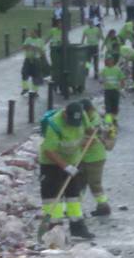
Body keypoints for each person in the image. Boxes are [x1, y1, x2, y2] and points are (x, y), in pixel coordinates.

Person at [38, 102, 95, 239]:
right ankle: (54, 229)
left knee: (73, 196)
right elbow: (49, 151)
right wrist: (66, 167)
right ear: (64, 114)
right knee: (52, 197)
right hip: (51, 164)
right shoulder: (54, 124)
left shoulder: (82, 117)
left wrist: (93, 137)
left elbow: (89, 130)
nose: (73, 125)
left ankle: (77, 227)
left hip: (73, 160)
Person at [79, 100, 112, 217]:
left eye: (84, 113)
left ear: (90, 110)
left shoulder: (96, 122)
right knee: (79, 182)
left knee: (94, 183)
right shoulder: (86, 119)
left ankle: (103, 206)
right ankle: (77, 208)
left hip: (95, 157)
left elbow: (89, 140)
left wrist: (74, 146)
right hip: (82, 157)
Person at [100, 56, 125, 124]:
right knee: (108, 106)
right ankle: (108, 121)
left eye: (109, 60)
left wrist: (122, 88)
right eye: (107, 60)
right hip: (107, 91)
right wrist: (101, 80)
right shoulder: (104, 70)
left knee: (115, 106)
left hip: (116, 91)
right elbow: (100, 79)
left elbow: (122, 79)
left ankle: (114, 119)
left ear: (112, 61)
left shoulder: (117, 70)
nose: (108, 62)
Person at [21, 29, 46, 97]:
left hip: (36, 60)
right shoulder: (28, 39)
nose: (31, 34)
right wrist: (27, 46)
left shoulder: (40, 41)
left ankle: (35, 91)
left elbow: (42, 52)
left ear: (36, 34)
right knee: (24, 73)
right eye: (30, 33)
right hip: (28, 59)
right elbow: (23, 47)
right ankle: (25, 88)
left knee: (36, 76)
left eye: (32, 33)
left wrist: (37, 48)